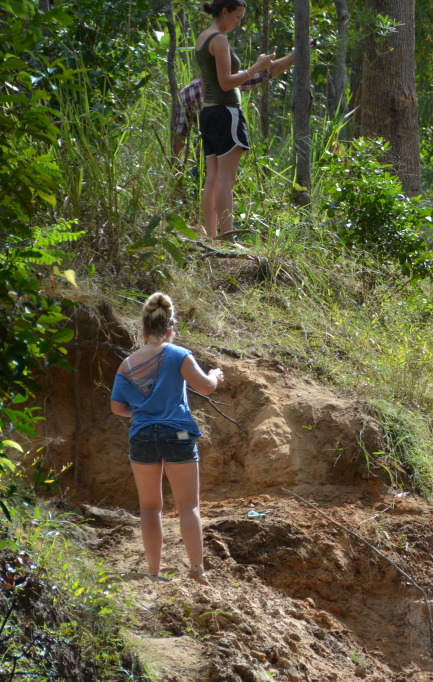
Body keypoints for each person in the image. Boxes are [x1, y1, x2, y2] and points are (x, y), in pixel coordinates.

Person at [110, 292, 225, 584]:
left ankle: (153, 572)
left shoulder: (127, 364)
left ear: (143, 330)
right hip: (179, 432)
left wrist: (141, 414)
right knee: (188, 505)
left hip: (142, 434)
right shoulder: (177, 354)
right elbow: (206, 387)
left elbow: (117, 407)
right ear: (170, 329)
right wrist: (215, 374)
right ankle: (197, 568)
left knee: (150, 507)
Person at [196, 0, 274, 238]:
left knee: (213, 178)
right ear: (225, 12)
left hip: (208, 113)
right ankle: (227, 237)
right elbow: (226, 82)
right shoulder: (219, 39)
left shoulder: (203, 38)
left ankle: (212, 237)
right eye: (237, 17)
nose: (238, 23)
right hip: (225, 112)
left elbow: (203, 80)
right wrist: (256, 67)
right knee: (226, 180)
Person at [171, 42, 311, 162]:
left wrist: (296, 54)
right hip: (213, 157)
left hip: (214, 156)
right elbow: (179, 136)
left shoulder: (193, 92)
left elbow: (179, 136)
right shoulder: (218, 85)